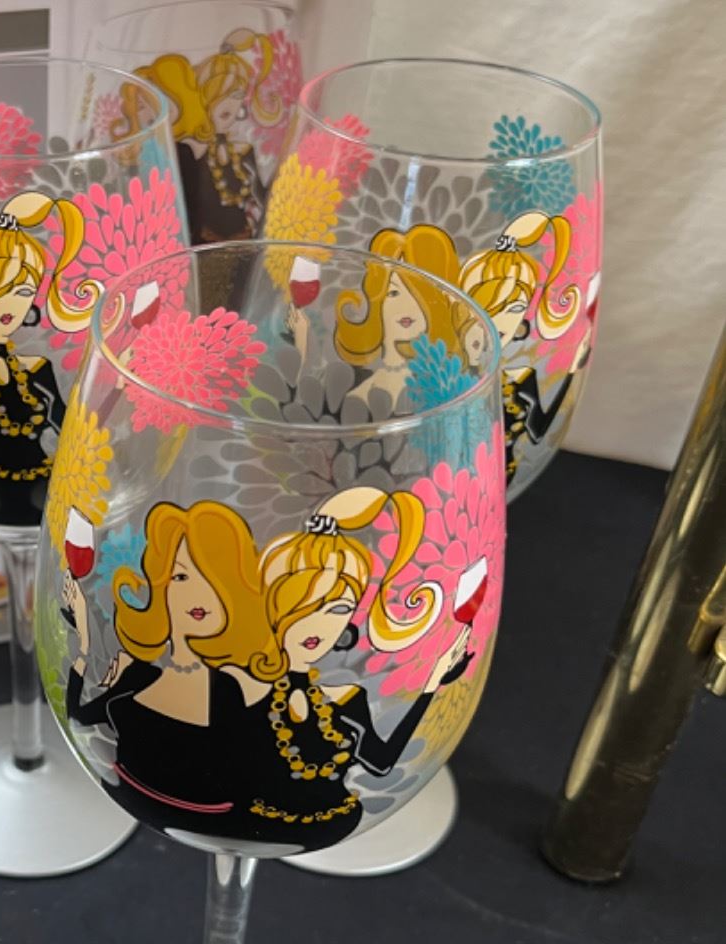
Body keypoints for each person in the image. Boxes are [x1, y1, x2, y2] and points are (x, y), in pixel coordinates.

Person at [238, 488, 471, 850]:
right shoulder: (240, 688)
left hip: (336, 821)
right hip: (245, 825)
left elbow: (381, 763)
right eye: (303, 604)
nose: (319, 625)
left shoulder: (345, 698)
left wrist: (432, 683)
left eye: (338, 609)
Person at [61, 499, 273, 835]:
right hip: (136, 803)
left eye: (212, 575)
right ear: (161, 585)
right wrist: (84, 645)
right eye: (181, 575)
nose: (199, 593)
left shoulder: (233, 686)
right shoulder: (139, 673)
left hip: (223, 828)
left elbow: (256, 775)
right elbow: (78, 717)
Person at [0, 191, 87, 526]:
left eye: (23, 292)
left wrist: (117, 383)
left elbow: (77, 432)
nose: (10, 304)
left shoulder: (38, 369)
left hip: (49, 494)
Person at [457, 211, 591, 482]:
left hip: (500, 481)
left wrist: (572, 370)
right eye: (490, 305)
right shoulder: (448, 373)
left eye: (515, 308)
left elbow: (539, 431)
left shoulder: (522, 378)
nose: (500, 319)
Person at [132, 32, 279, 242]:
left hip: (246, 245)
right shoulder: (189, 153)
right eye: (219, 92)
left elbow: (266, 199)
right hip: (199, 247)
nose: (230, 102)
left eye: (238, 94)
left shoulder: (243, 151)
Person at [333, 224, 469, 408]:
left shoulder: (444, 388)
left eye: (418, 295)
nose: (407, 306)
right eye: (393, 293)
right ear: (378, 300)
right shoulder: (359, 393)